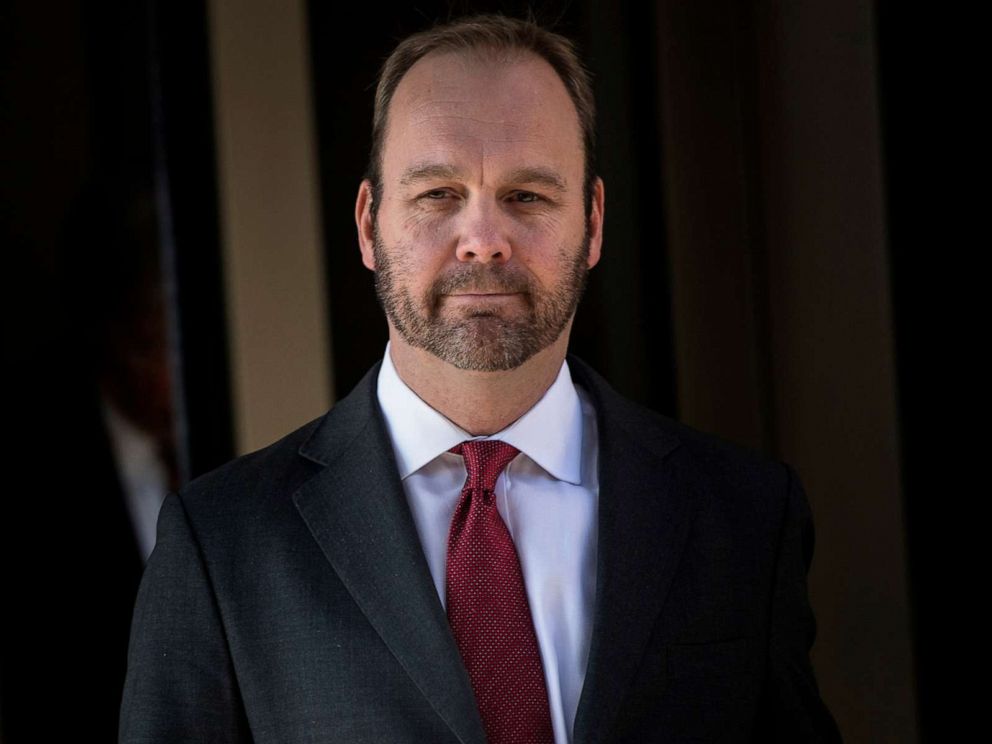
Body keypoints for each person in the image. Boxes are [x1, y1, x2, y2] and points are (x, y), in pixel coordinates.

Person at [119, 13, 842, 743]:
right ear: (369, 224)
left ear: (592, 222)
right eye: (437, 194)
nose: (484, 241)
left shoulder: (744, 517)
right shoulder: (222, 547)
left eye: (527, 196)